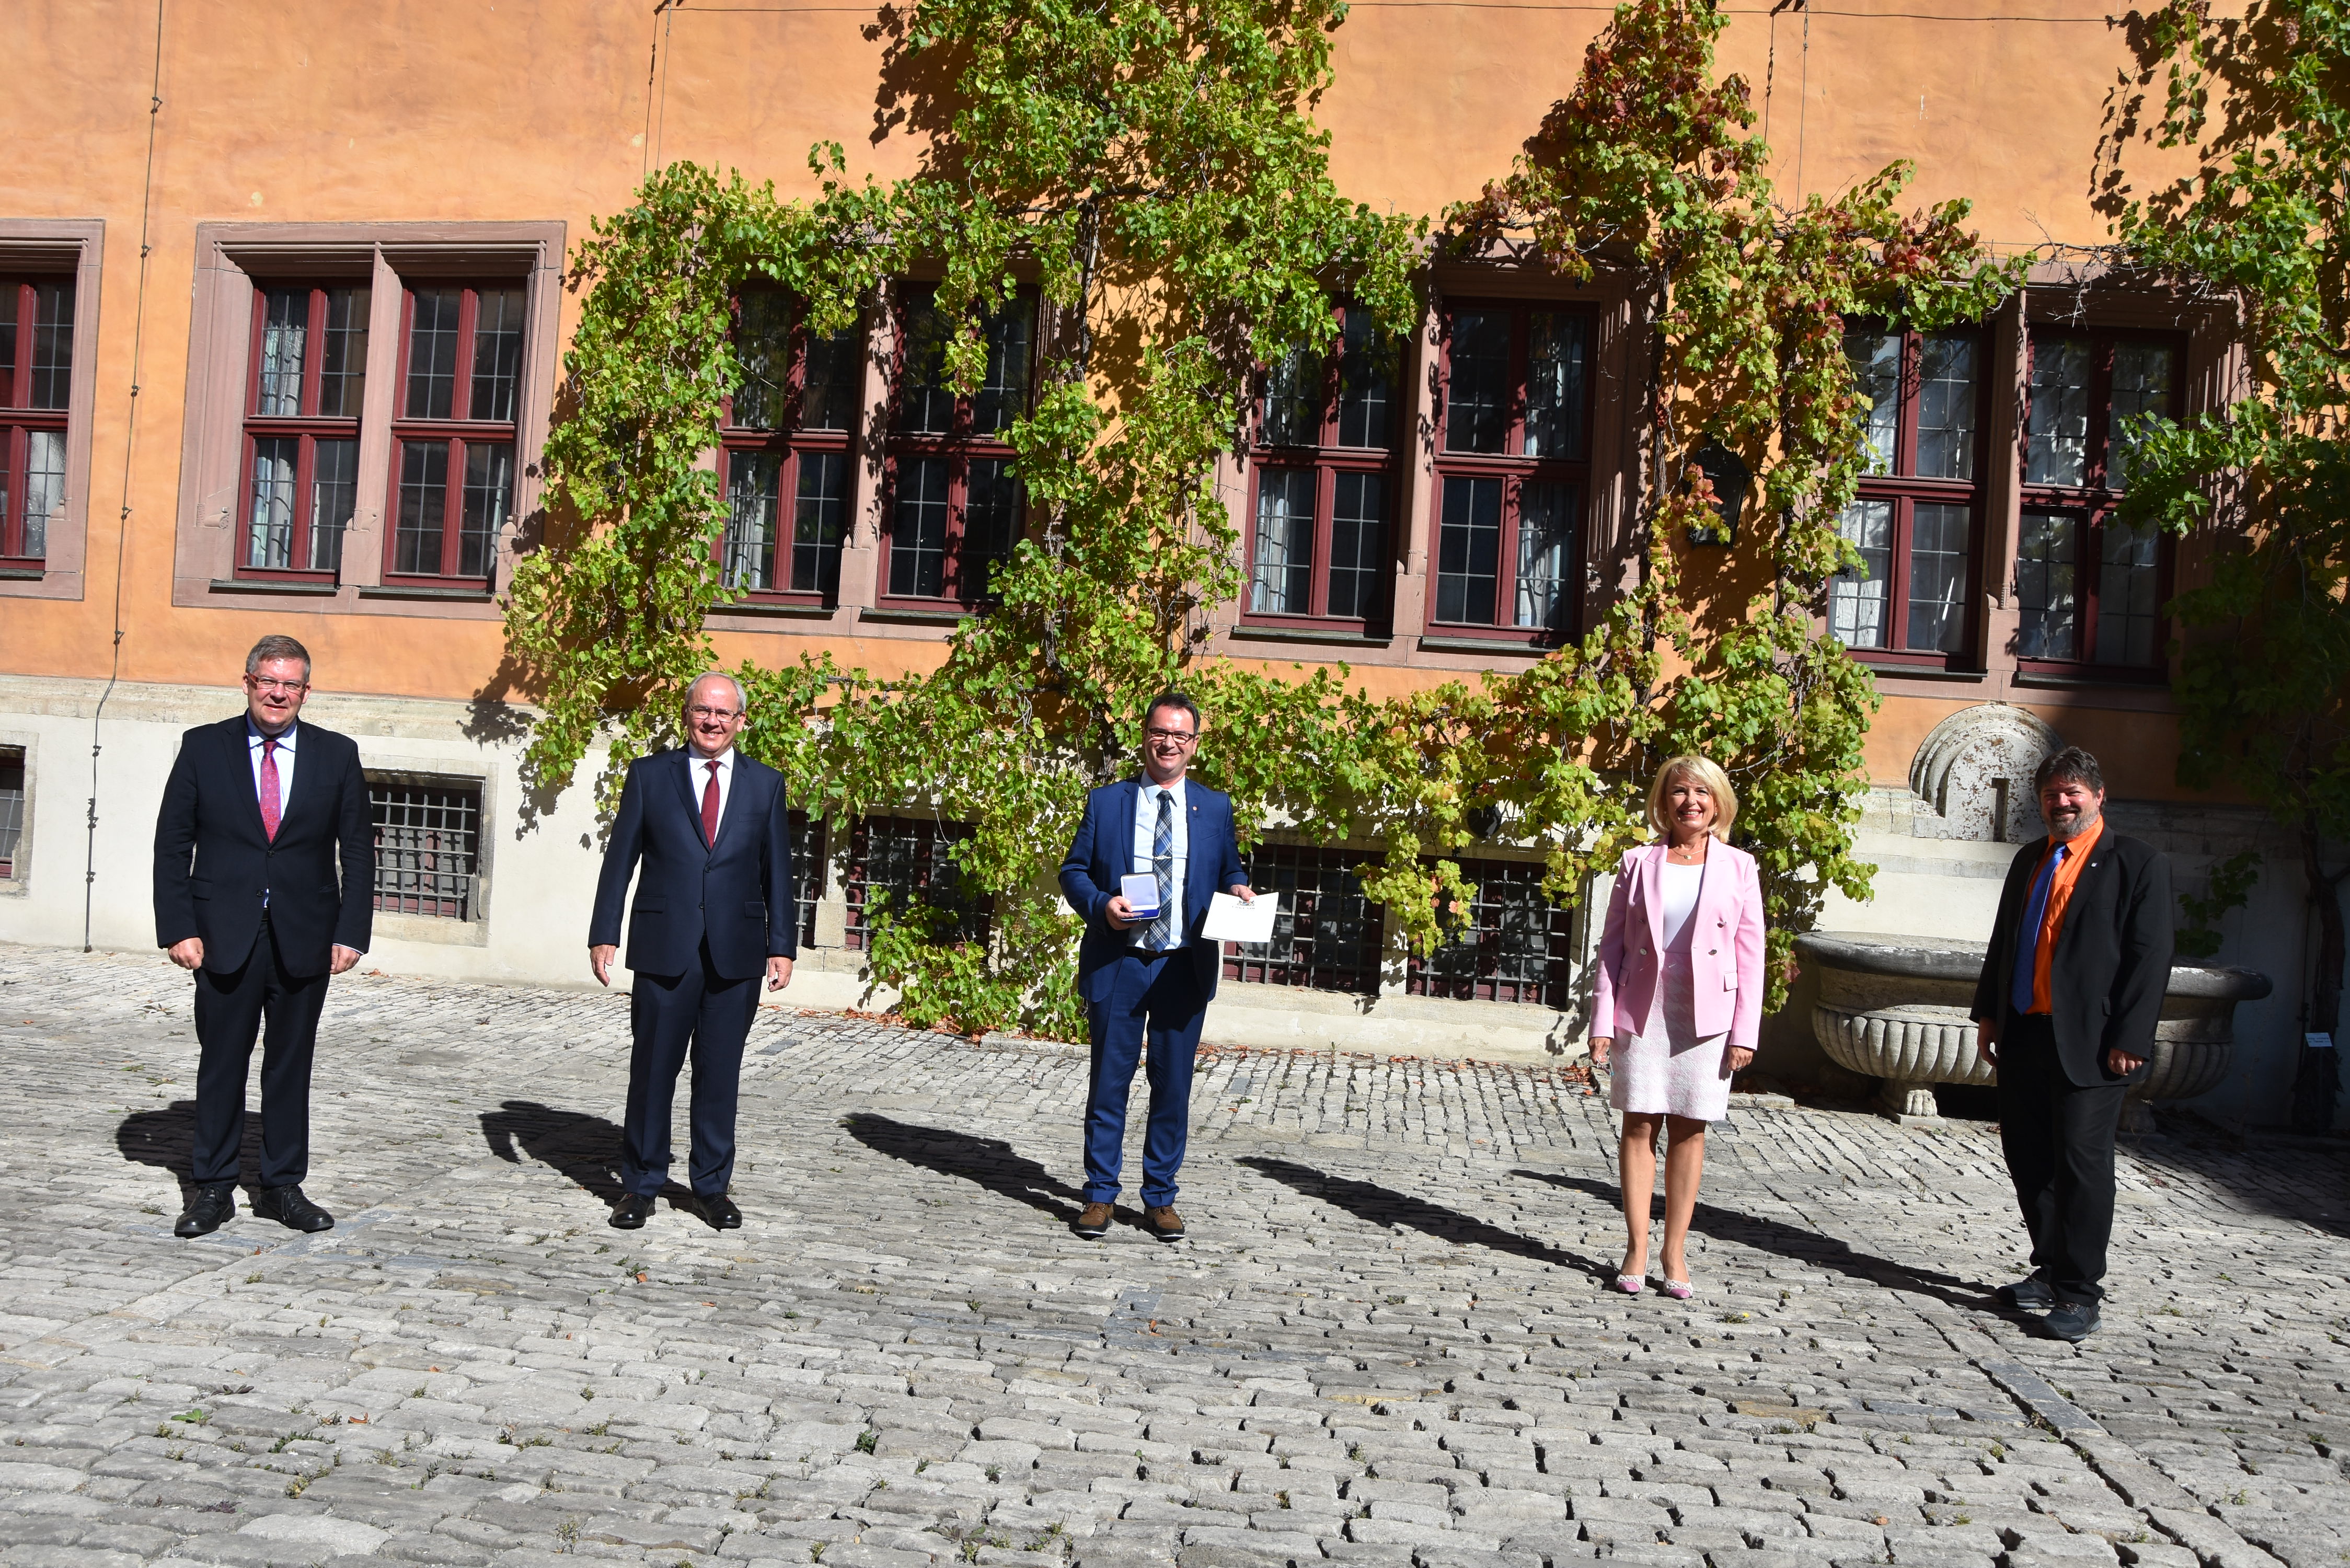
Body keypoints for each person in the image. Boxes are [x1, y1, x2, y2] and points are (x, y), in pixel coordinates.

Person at [152, 633, 373, 1238]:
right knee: (222, 1062)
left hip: (306, 934)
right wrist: (178, 927)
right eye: (268, 681)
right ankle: (213, 1188)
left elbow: (357, 849)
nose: (278, 694)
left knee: (290, 1065)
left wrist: (352, 932)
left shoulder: (336, 754)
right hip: (222, 934)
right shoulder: (204, 747)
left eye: (290, 684)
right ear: (248, 682)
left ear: (306, 691)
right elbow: (173, 843)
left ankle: (282, 1187)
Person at [1971, 746, 2170, 1342]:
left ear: (2098, 796)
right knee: (2027, 1156)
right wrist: (1989, 1016)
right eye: (2051, 795)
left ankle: (2080, 1294)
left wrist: (2131, 1036)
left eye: (2072, 793)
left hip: (2093, 1041)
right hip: (2025, 1030)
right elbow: (2004, 942)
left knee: (2082, 1165)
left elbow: (2149, 957)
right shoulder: (2029, 859)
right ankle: (2050, 1268)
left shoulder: (2136, 863)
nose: (2061, 803)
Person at [589, 673, 797, 1231]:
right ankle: (640, 1185)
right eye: (703, 710)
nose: (712, 721)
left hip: (736, 953)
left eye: (724, 713)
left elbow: (778, 871)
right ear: (687, 715)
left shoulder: (766, 784)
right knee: (653, 1070)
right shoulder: (649, 776)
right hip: (665, 947)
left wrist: (782, 945)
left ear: (740, 721)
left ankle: (711, 1187)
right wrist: (604, 931)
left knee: (719, 1074)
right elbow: (620, 860)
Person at [1058, 692, 1253, 1243]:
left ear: (1194, 745)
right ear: (1144, 736)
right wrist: (1102, 906)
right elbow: (1073, 872)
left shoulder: (1214, 807)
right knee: (1109, 1083)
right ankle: (1100, 1194)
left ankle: (1160, 1198)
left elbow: (1229, 868)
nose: (1169, 743)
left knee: (1172, 1087)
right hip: (1119, 961)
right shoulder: (1107, 803)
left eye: (1180, 735)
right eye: (1160, 732)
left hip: (1182, 966)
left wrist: (1239, 887)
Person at [1587, 755, 1766, 1300]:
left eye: (1701, 792)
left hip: (1707, 1016)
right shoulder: (1636, 862)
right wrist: (1601, 1020)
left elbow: (1751, 954)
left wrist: (1744, 1032)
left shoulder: (1740, 867)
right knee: (1638, 1124)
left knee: (1690, 1128)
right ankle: (1636, 1248)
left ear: (1717, 802)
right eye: (1679, 792)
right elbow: (1611, 947)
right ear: (1663, 801)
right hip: (1643, 1009)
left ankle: (1675, 1252)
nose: (1690, 802)